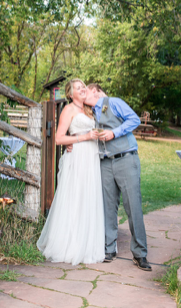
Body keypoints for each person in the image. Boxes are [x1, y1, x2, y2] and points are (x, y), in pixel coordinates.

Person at [36, 79, 105, 265]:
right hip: (78, 159)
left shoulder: (89, 110)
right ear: (70, 94)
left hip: (91, 159)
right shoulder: (69, 110)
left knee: (88, 199)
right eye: (78, 87)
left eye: (83, 86)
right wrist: (84, 137)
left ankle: (87, 246)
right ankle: (71, 246)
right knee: (75, 199)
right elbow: (59, 138)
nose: (82, 89)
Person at [83, 83, 151, 271]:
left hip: (126, 158)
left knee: (133, 205)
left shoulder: (113, 103)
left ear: (95, 91)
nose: (83, 94)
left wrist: (114, 132)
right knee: (107, 206)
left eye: (85, 91)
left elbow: (134, 120)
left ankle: (140, 253)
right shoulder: (89, 113)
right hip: (104, 162)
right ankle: (109, 249)